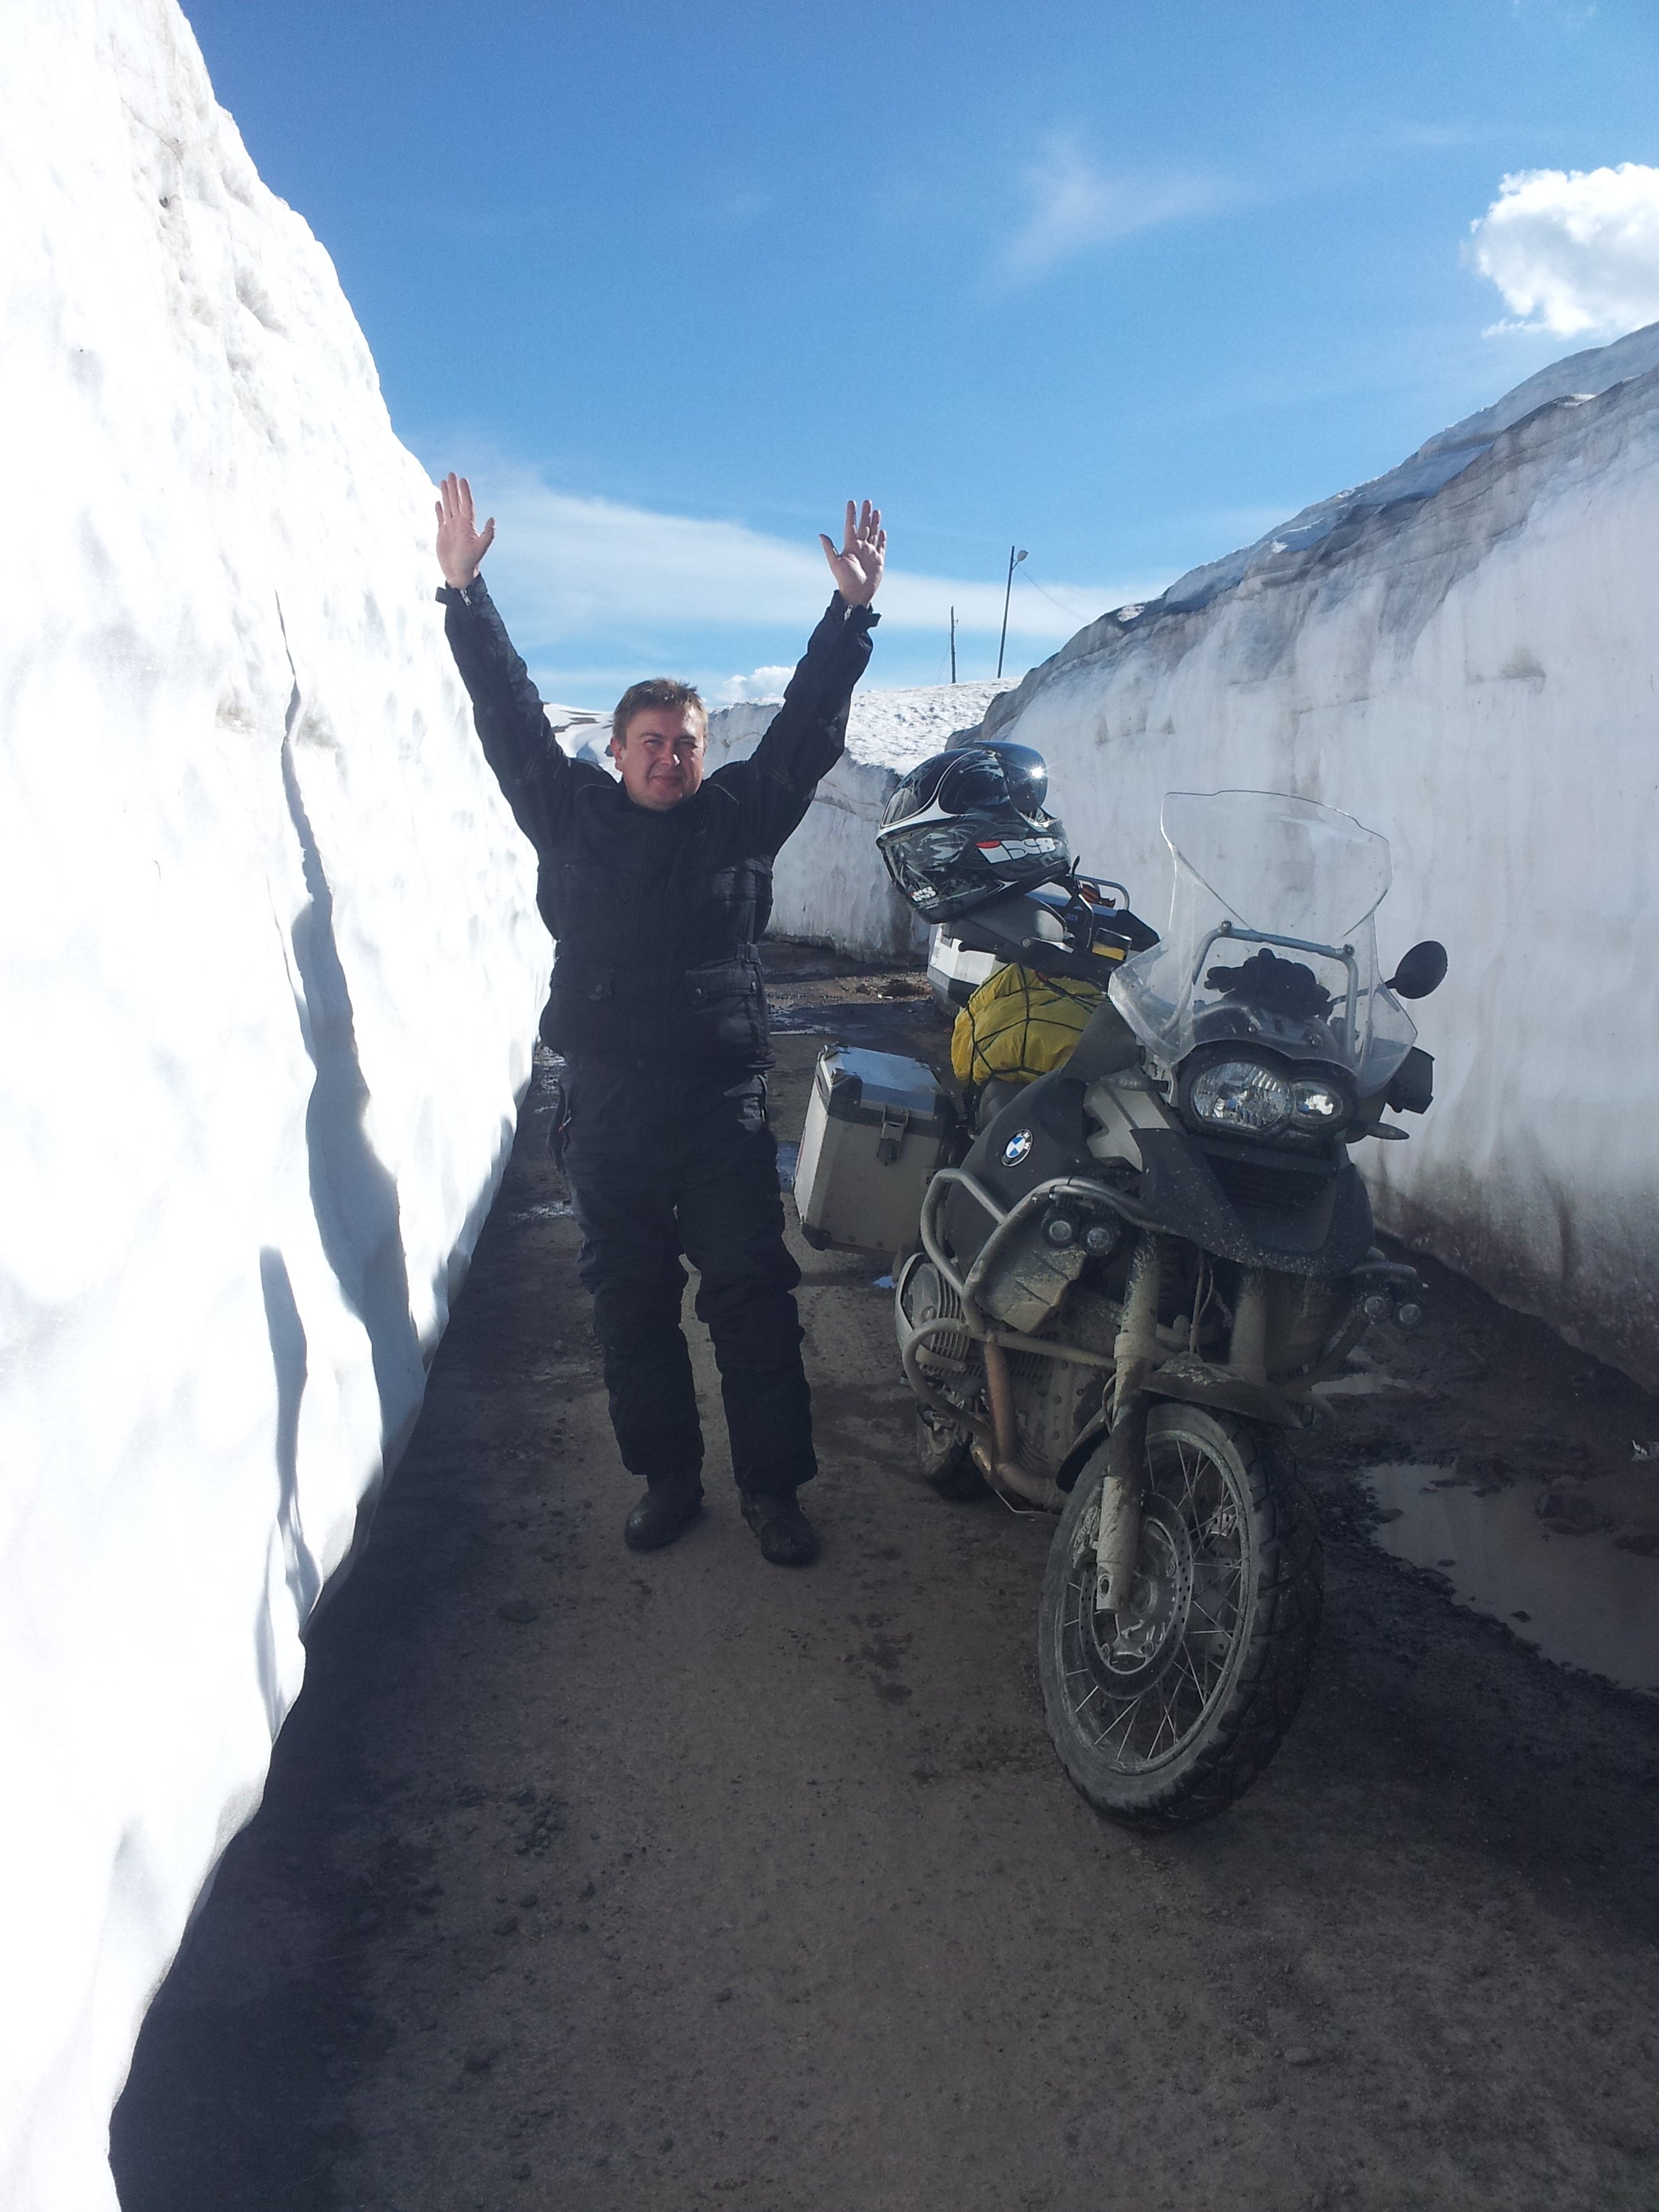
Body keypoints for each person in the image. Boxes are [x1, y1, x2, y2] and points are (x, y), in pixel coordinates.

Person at [434, 474, 885, 1565]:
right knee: (630, 1305)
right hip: (609, 1109)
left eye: (685, 742)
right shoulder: (569, 814)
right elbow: (509, 719)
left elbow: (805, 731)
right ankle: (669, 1479)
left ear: (699, 752)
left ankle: (772, 1489)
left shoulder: (740, 816)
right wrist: (466, 596)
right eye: (651, 740)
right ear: (619, 750)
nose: (670, 757)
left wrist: (850, 616)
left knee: (751, 1299)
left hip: (721, 1109)